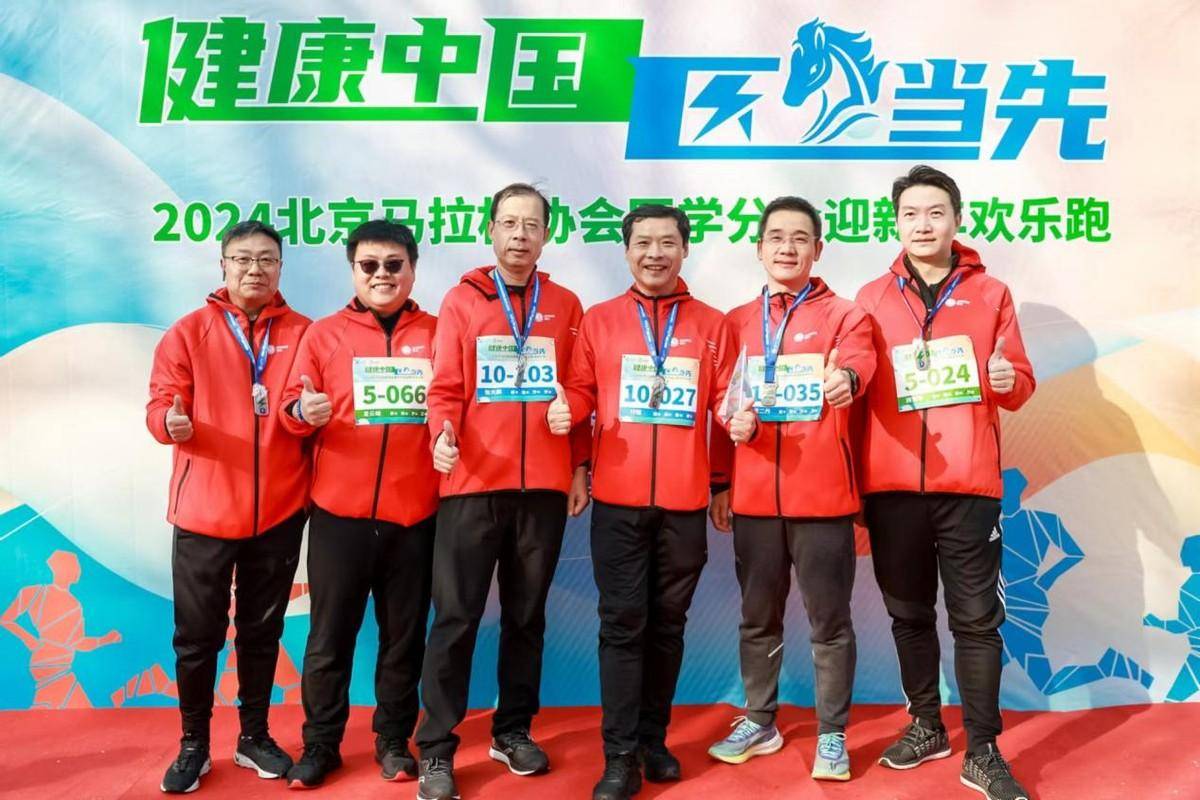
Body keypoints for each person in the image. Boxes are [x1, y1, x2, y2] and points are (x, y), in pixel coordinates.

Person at [855, 165, 1036, 800]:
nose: (923, 224)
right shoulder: (871, 298)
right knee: (908, 613)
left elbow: (1019, 381)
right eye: (910, 214)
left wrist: (1009, 380)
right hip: (891, 486)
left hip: (968, 485)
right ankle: (927, 725)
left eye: (936, 212)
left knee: (977, 620)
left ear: (957, 219)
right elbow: (855, 385)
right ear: (896, 223)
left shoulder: (992, 294)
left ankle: (983, 750)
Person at [415, 183, 590, 800]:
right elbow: (445, 388)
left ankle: (512, 729)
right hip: (471, 485)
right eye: (509, 223)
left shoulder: (566, 304)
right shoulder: (462, 300)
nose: (520, 235)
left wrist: (578, 450)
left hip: (542, 489)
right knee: (456, 618)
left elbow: (581, 386)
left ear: (547, 234)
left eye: (531, 225)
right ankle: (437, 749)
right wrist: (441, 434)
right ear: (490, 229)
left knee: (526, 617)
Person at [554, 204, 732, 800]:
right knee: (622, 623)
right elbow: (581, 393)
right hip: (618, 502)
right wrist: (578, 460)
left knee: (668, 625)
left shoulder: (712, 325)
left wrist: (722, 482)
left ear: (685, 249)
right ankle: (619, 755)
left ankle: (654, 740)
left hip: (684, 503)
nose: (655, 253)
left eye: (667, 242)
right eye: (643, 243)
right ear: (626, 250)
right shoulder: (600, 321)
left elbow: (727, 407)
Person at [705, 196, 875, 781]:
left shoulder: (846, 315)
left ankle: (832, 734)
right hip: (754, 500)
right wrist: (730, 435)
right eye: (776, 237)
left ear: (818, 249)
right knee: (757, 618)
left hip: (823, 498)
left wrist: (845, 378)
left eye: (800, 237)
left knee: (830, 621)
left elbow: (861, 362)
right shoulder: (735, 322)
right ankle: (760, 719)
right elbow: (721, 397)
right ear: (758, 248)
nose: (787, 247)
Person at [145, 220, 311, 793]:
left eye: (266, 259)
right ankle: (193, 743)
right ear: (223, 265)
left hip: (279, 512)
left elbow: (304, 405)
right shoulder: (188, 333)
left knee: (262, 634)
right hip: (204, 513)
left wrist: (304, 415)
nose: (254, 269)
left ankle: (253, 736)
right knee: (197, 637)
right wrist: (168, 422)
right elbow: (160, 404)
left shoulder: (306, 334)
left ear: (281, 268)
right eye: (242, 258)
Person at [277, 219, 439, 788]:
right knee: (329, 639)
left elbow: (455, 404)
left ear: (412, 269)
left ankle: (393, 740)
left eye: (394, 264)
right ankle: (321, 743)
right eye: (369, 265)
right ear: (353, 271)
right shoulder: (324, 335)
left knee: (404, 639)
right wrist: (303, 413)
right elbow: (290, 407)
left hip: (415, 517)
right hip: (339, 518)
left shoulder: (438, 333)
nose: (382, 275)